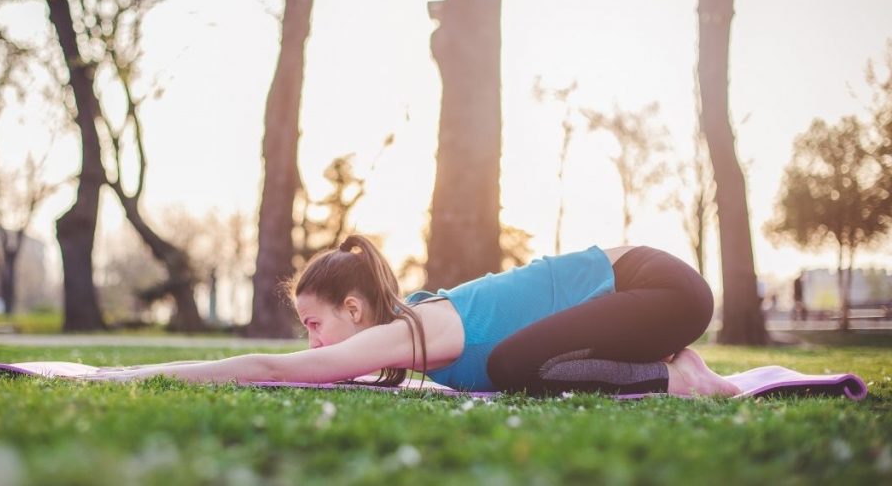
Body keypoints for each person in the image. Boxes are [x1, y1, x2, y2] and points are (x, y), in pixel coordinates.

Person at [85, 235, 739, 397]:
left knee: (516, 365)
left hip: (664, 289)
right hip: (643, 297)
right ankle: (671, 364)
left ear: (352, 309)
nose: (310, 342)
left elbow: (268, 366)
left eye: (315, 326)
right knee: (516, 364)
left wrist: (125, 376)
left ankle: (681, 378)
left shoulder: (416, 330)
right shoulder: (417, 329)